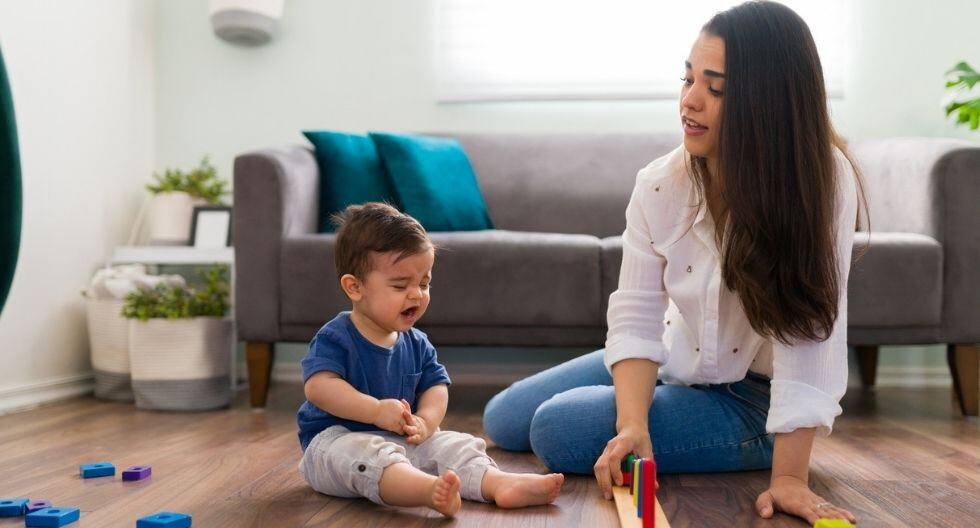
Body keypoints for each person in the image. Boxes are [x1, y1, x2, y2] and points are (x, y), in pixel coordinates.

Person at [482, 1, 866, 524]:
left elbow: (811, 333)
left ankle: (741, 441)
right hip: (676, 361)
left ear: (766, 102)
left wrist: (790, 477)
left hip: (754, 402)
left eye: (716, 88)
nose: (689, 101)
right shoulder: (661, 183)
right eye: (687, 79)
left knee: (555, 429)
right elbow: (638, 313)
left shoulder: (824, 181)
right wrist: (632, 421)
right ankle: (649, 409)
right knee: (503, 418)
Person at [297, 202, 564, 517]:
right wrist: (375, 411)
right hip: (333, 444)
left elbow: (436, 387)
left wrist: (427, 422)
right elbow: (319, 387)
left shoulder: (417, 342)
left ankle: (497, 483)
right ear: (355, 287)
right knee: (364, 452)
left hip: (400, 439)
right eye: (400, 285)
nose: (416, 294)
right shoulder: (336, 337)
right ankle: (425, 490)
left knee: (453, 443)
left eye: (424, 283)